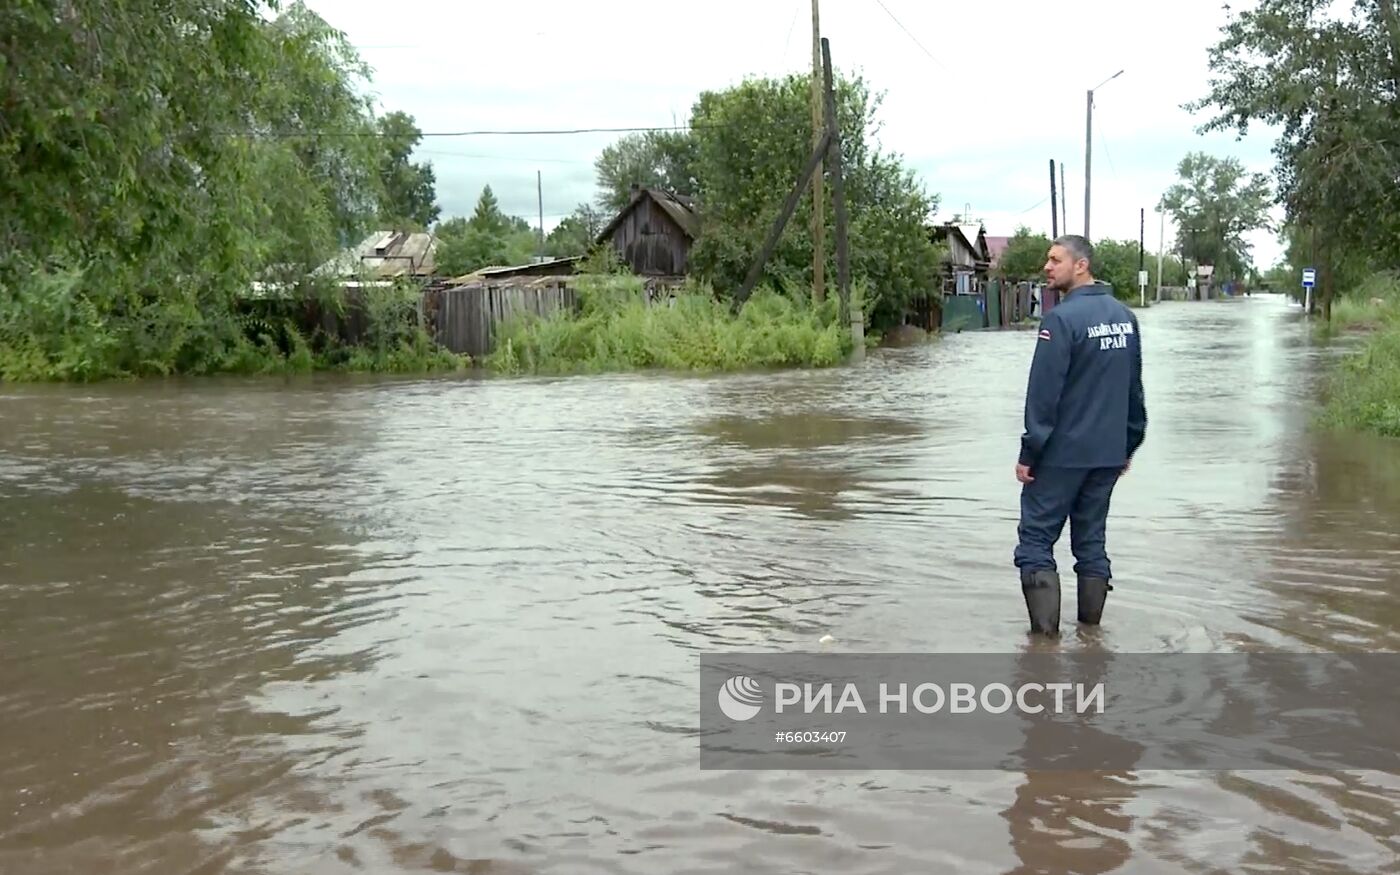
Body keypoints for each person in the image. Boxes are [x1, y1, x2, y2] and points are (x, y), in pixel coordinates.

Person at [1014, 235, 1146, 636]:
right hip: (1106, 455)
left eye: (1055, 260)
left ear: (1081, 265)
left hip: (1061, 455)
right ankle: (1091, 638)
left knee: (1036, 541)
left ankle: (1045, 647)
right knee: (1090, 542)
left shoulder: (1059, 320)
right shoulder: (1126, 317)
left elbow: (1043, 394)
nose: (1047, 267)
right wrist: (1127, 445)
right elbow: (1134, 392)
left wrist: (1029, 451)